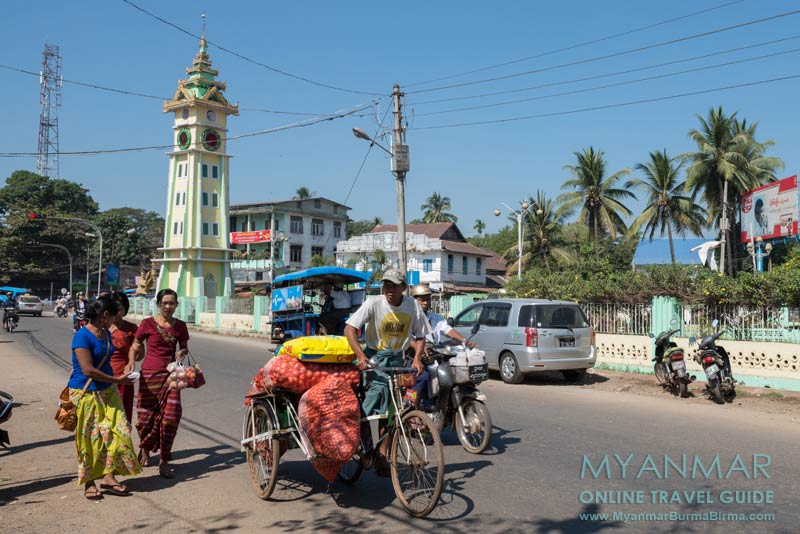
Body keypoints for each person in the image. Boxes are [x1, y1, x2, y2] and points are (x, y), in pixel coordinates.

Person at [344, 269, 431, 475]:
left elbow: (420, 335)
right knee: (375, 402)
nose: (389, 290)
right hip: (375, 359)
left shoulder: (411, 305)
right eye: (386, 285)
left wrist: (417, 358)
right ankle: (363, 444)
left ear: (403, 287)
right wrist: (360, 355)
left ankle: (383, 455)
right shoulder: (374, 303)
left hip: (398, 360)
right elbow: (349, 328)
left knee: (394, 410)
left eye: (394, 285)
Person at [67, 296, 141, 500]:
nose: (118, 317)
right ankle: (89, 482)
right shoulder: (82, 336)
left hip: (108, 391)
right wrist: (117, 379)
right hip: (87, 392)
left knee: (120, 432)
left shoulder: (106, 333)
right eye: (115, 313)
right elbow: (88, 369)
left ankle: (108, 477)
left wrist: (124, 371)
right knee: (91, 439)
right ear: (105, 315)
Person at [129, 288, 190, 479]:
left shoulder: (180, 326)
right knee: (145, 418)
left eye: (172, 303)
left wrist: (182, 353)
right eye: (165, 303)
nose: (168, 306)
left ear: (176, 305)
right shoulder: (147, 324)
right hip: (149, 376)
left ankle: (164, 461)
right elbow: (136, 345)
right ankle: (145, 450)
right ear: (158, 304)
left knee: (171, 417)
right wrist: (132, 361)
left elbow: (184, 347)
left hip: (171, 377)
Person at [409, 284, 475, 408]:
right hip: (415, 358)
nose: (425, 302)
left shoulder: (436, 318)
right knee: (423, 376)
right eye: (422, 299)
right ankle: (414, 406)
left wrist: (464, 341)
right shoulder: (409, 318)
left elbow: (448, 330)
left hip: (434, 356)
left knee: (454, 371)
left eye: (427, 299)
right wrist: (420, 348)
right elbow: (407, 338)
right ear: (414, 301)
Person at [109, 291, 138, 423]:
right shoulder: (99, 327)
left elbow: (136, 352)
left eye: (119, 309)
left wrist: (132, 360)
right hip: (101, 376)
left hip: (123, 377)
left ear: (125, 309)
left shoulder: (131, 328)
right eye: (112, 308)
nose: (116, 312)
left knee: (122, 417)